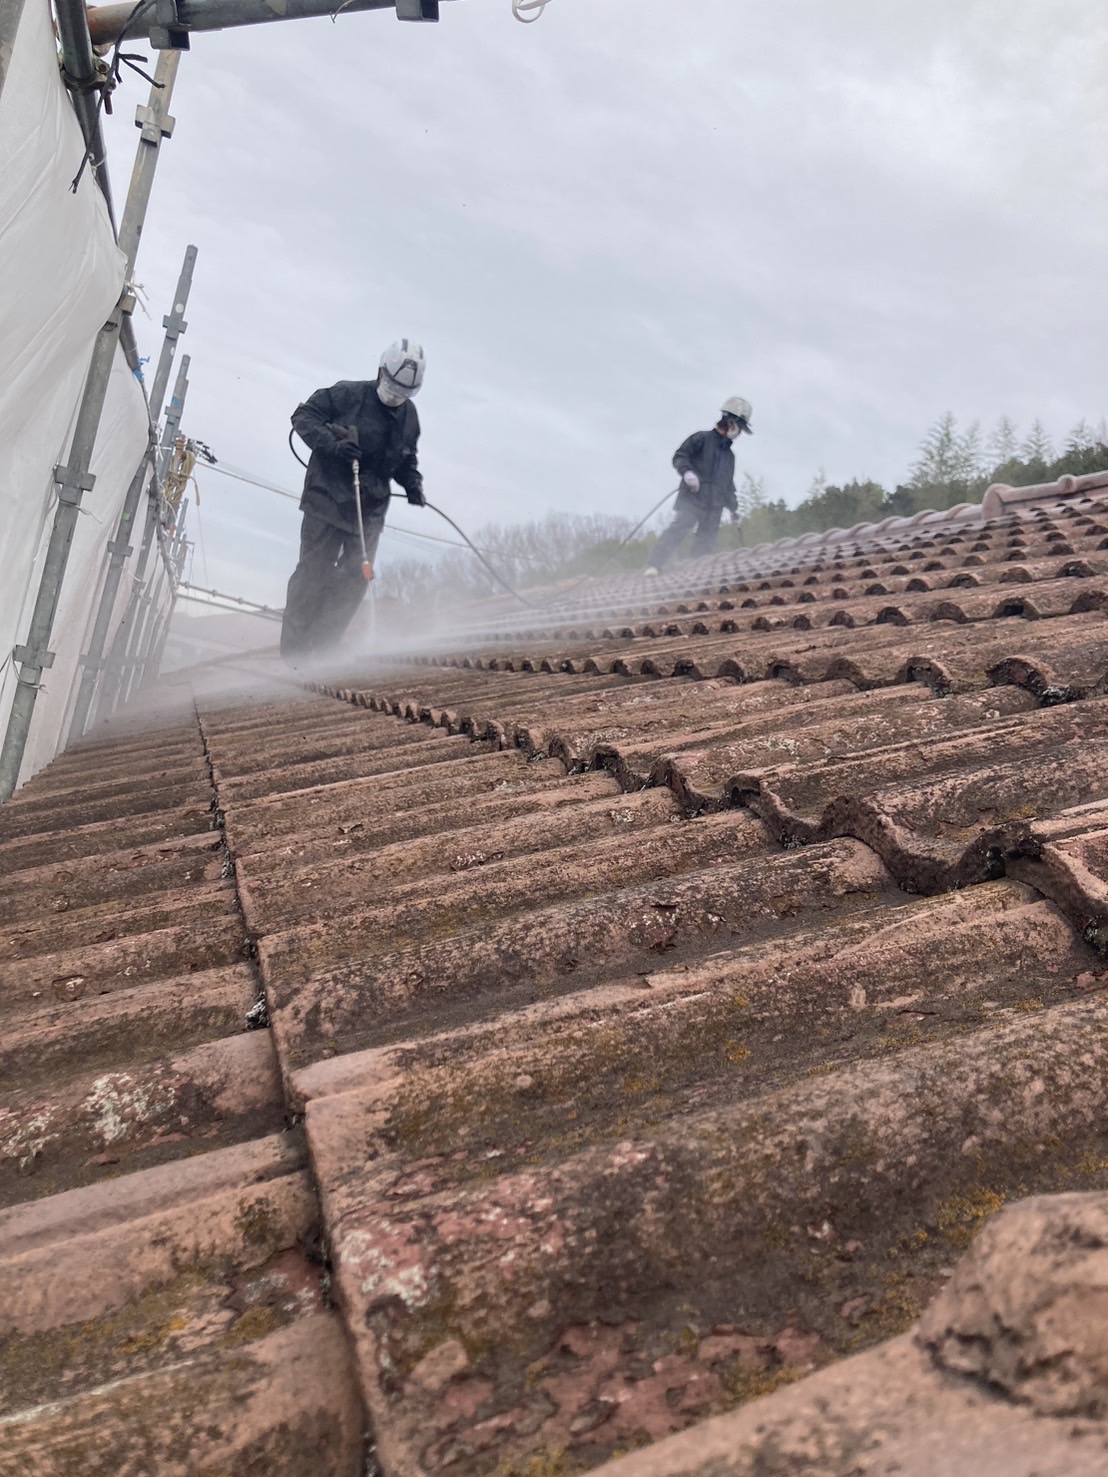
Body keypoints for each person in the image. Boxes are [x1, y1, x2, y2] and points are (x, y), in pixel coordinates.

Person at [280, 340, 427, 660]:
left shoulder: (408, 418)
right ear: (380, 373)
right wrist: (333, 446)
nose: (396, 395)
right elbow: (303, 417)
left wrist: (412, 483)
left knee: (355, 578)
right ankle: (293, 654)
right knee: (313, 574)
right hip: (327, 500)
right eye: (392, 386)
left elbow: (406, 460)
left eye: (404, 392)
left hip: (369, 511)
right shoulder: (347, 395)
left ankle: (321, 651)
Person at [644, 396, 753, 575]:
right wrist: (687, 473)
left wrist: (734, 509)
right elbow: (680, 456)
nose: (739, 433)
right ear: (731, 423)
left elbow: (728, 485)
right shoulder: (701, 439)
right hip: (693, 497)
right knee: (680, 527)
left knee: (707, 538)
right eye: (740, 429)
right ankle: (655, 565)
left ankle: (696, 571)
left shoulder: (729, 456)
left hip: (715, 504)